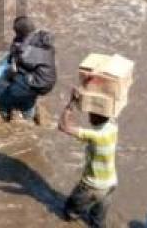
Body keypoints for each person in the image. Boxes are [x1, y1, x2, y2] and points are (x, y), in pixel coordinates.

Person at [58, 88, 118, 228]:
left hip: (92, 185)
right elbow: (112, 108)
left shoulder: (95, 135)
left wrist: (71, 102)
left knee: (69, 212)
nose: (89, 116)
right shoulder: (113, 128)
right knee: (97, 222)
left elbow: (63, 126)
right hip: (110, 184)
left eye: (91, 114)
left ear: (96, 118)